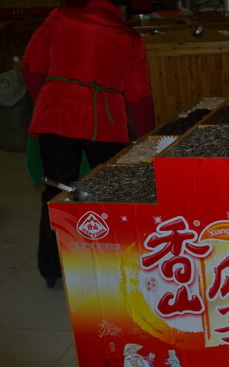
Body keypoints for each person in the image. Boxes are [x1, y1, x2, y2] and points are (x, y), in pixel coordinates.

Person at [22, 0, 154, 288]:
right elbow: (139, 95)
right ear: (122, 8)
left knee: (57, 192)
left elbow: (31, 66)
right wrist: (146, 138)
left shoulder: (59, 17)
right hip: (105, 124)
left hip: (57, 115)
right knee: (109, 194)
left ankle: (53, 269)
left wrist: (45, 100)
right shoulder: (130, 37)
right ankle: (112, 266)